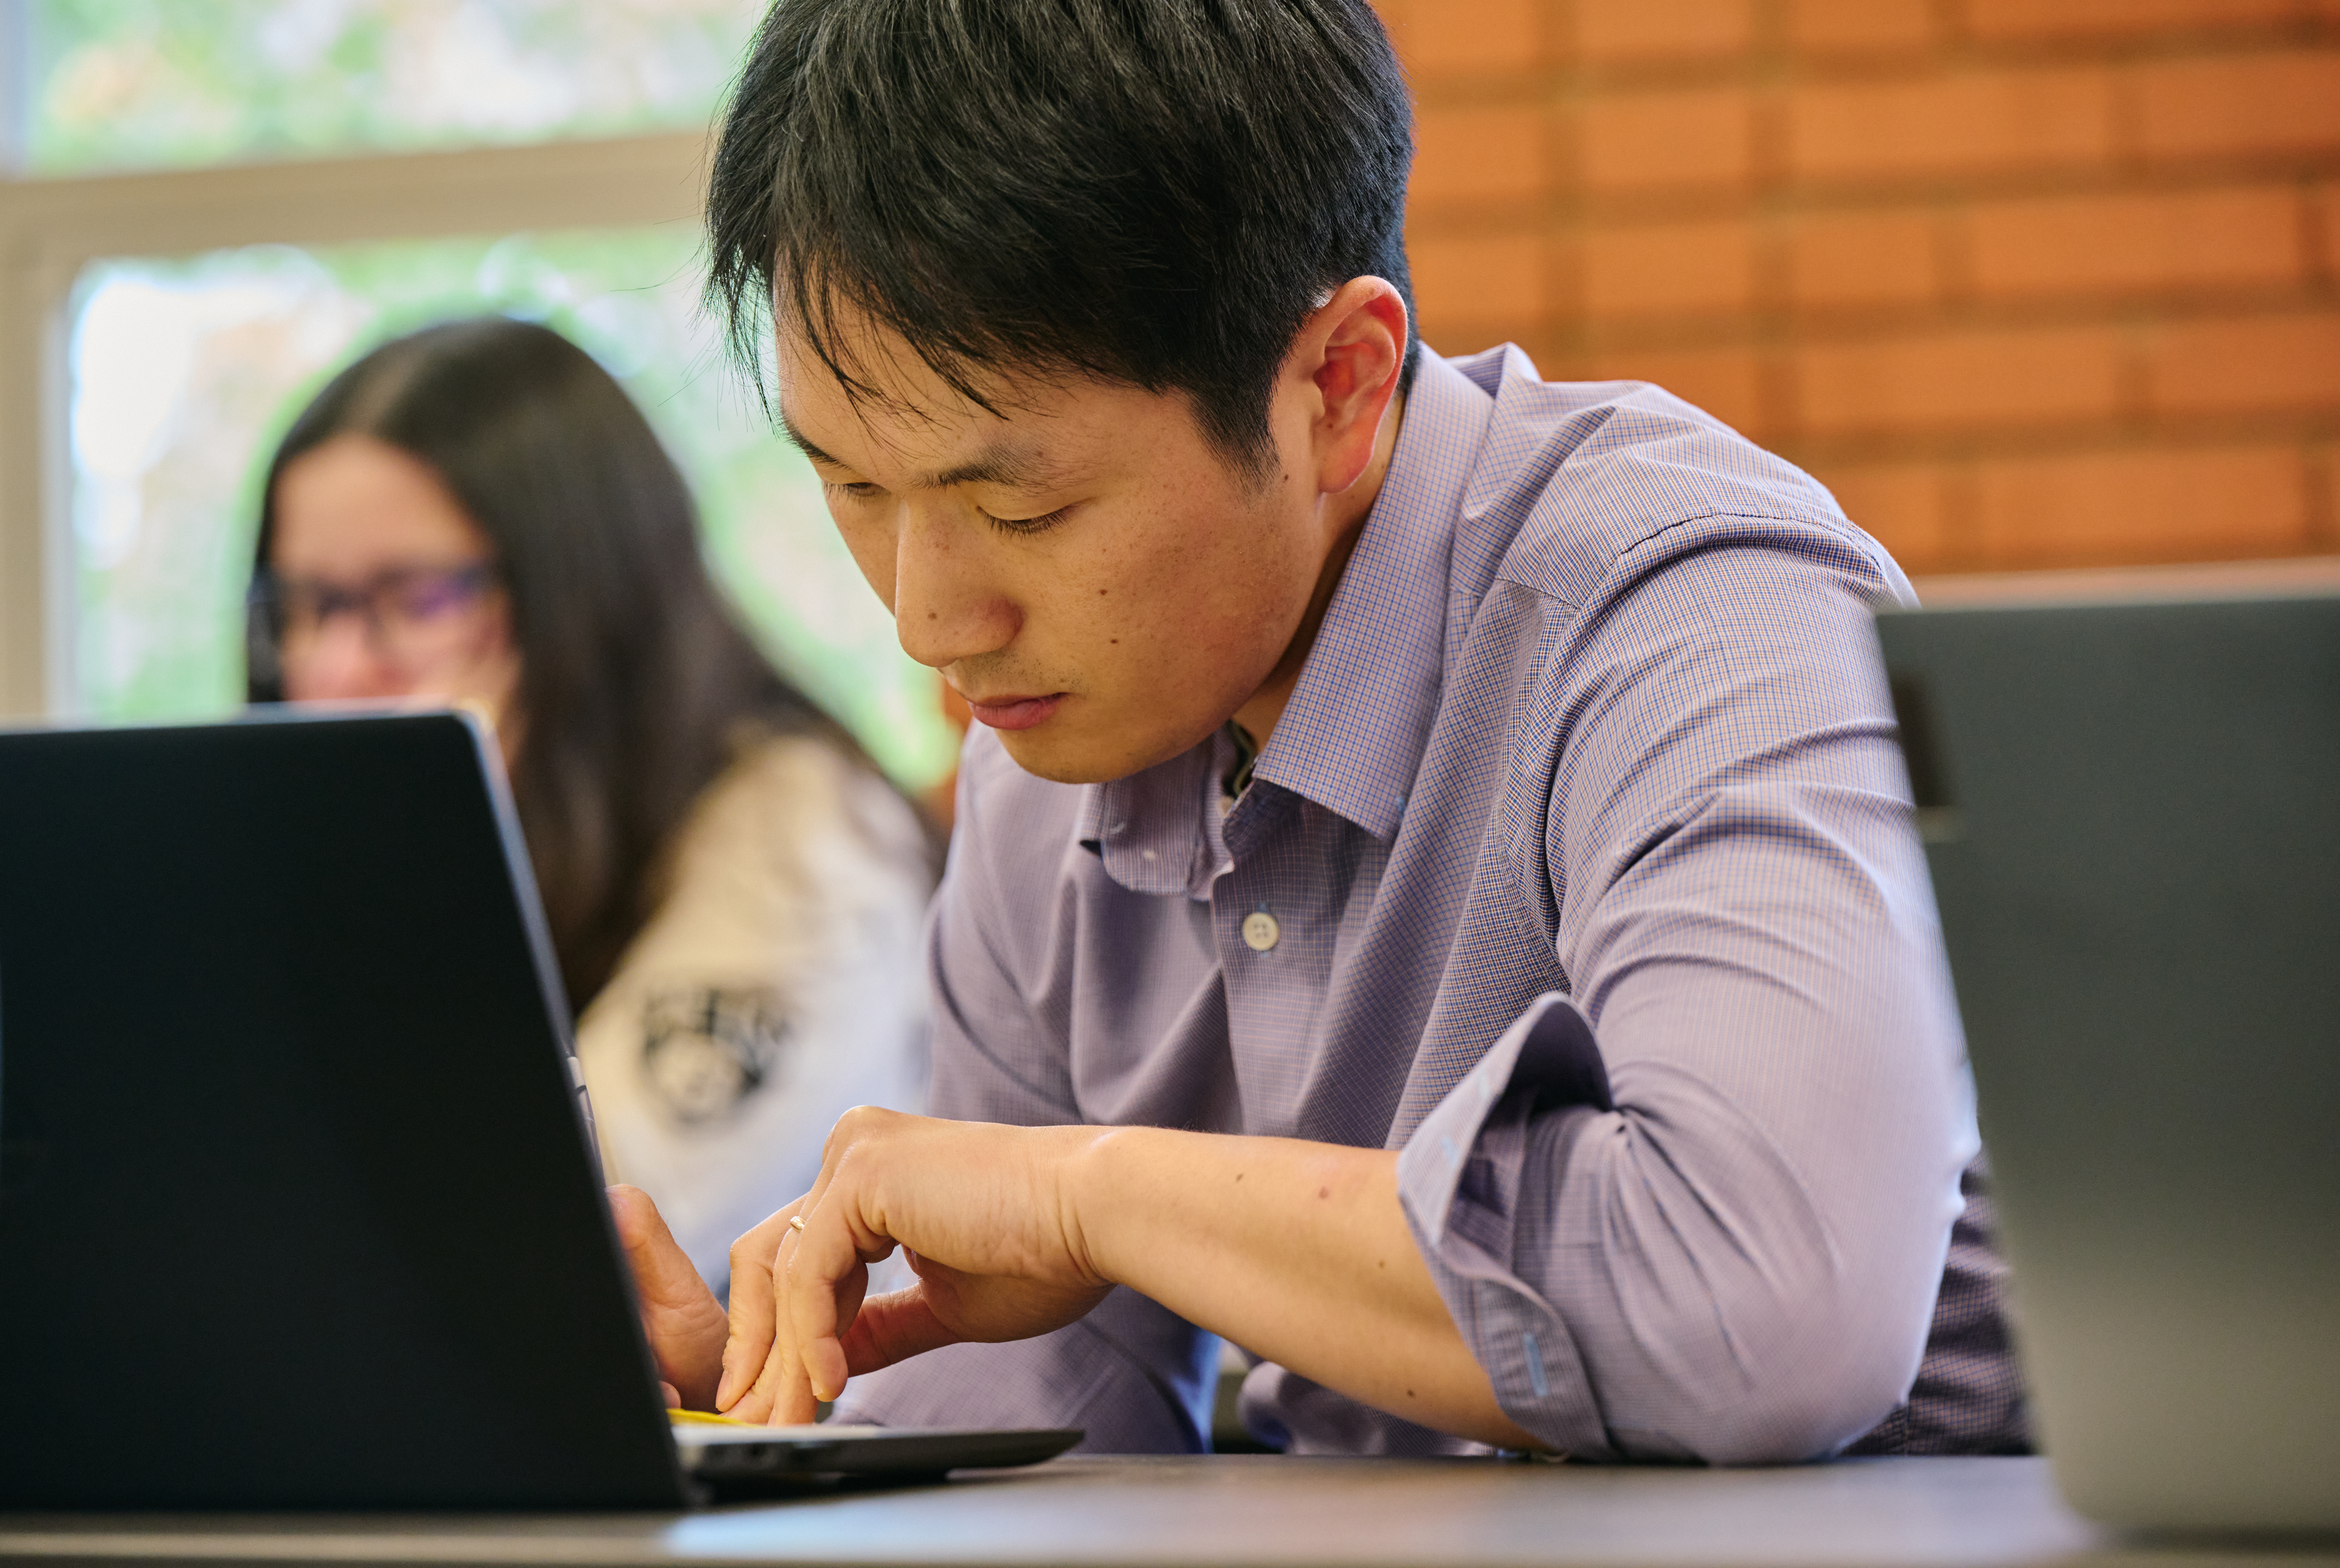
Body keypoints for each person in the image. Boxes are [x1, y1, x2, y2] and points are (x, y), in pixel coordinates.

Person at [612, 0, 2031, 1461]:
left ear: (1339, 384)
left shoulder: (1696, 610)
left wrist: (1088, 1194)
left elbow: (1767, 1317)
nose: (930, 623)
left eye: (1021, 508)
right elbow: (1042, 1434)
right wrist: (771, 1412)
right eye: (852, 488)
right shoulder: (1047, 762)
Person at [246, 317, 936, 1287]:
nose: (336, 666)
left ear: (579, 589)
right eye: (307, 606)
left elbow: (553, 1246)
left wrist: (433, 857)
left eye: (415, 598)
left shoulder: (801, 840)